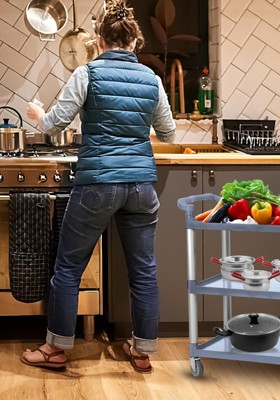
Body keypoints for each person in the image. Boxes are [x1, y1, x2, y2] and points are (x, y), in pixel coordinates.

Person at [21, 0, 175, 374]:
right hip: (141, 186)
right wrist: (136, 130)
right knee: (143, 271)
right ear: (135, 42)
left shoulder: (87, 73)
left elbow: (53, 125)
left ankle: (55, 349)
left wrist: (39, 115)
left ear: (100, 41)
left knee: (69, 266)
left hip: (98, 184)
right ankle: (142, 350)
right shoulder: (152, 79)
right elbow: (168, 133)